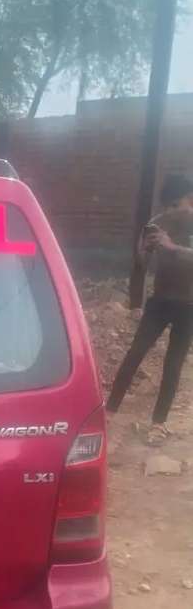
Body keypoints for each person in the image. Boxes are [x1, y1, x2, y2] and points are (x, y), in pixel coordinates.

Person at [106, 172, 193, 443]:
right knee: (135, 353)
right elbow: (142, 266)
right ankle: (109, 412)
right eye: (168, 206)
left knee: (173, 364)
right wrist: (143, 249)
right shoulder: (157, 223)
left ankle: (158, 423)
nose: (171, 211)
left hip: (189, 306)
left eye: (176, 204)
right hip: (160, 302)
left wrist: (172, 246)